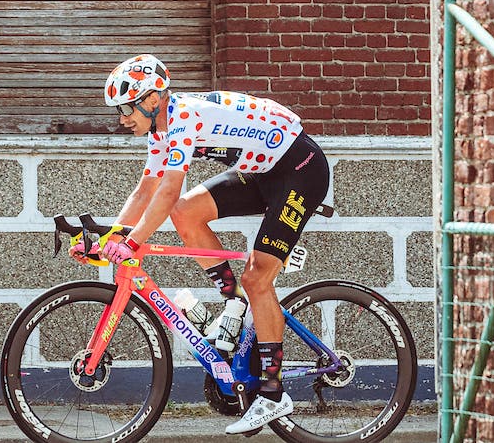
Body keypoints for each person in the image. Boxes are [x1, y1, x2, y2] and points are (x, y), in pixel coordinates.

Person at [93, 54, 331, 434]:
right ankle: (234, 300)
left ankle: (272, 393)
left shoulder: (184, 115)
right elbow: (146, 190)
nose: (122, 118)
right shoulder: (161, 130)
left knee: (259, 278)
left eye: (125, 107)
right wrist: (112, 237)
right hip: (261, 170)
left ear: (153, 100)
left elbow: (169, 189)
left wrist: (134, 243)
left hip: (299, 169)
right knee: (186, 214)